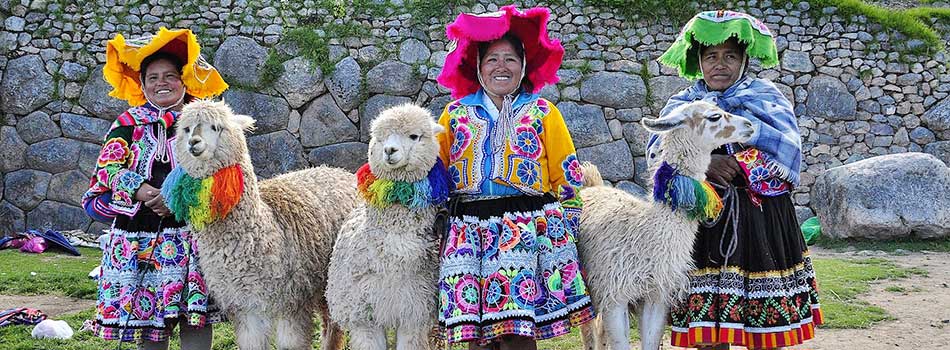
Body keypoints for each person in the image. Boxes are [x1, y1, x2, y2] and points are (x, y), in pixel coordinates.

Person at [651, 10, 822, 350]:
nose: (720, 64)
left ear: (743, 60)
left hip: (760, 218)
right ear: (697, 61)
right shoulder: (683, 105)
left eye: (730, 56)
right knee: (708, 326)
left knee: (764, 328)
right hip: (702, 220)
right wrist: (708, 162)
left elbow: (787, 148)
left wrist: (742, 162)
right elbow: (660, 152)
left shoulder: (765, 97)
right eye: (711, 56)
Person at [434, 5, 595, 350]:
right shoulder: (455, 114)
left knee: (518, 330)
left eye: (510, 59)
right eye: (492, 59)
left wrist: (568, 225)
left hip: (526, 227)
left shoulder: (542, 112)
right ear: (478, 67)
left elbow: (566, 172)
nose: (501, 67)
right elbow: (435, 172)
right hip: (470, 229)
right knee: (476, 330)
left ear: (523, 67)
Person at [81, 27, 229, 350]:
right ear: (143, 84)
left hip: (192, 234)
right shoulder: (127, 124)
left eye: (170, 76)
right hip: (140, 240)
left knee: (195, 315)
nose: (161, 83)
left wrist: (178, 197)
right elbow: (106, 170)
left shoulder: (204, 121)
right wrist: (140, 189)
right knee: (151, 322)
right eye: (153, 78)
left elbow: (222, 170)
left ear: (183, 80)